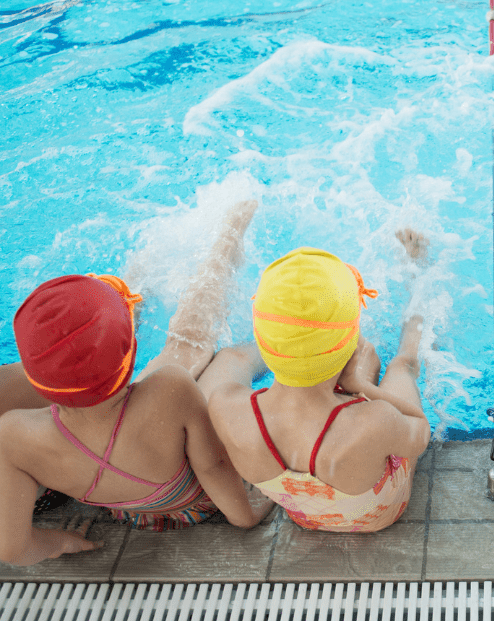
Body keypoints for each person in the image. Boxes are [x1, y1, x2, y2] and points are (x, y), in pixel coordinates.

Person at [0, 201, 272, 566]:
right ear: (131, 354)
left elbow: (13, 549)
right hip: (192, 503)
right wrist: (246, 516)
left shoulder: (14, 436)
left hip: (129, 511)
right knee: (198, 347)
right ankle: (227, 238)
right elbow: (214, 468)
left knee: (110, 338)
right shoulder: (169, 390)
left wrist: (60, 542)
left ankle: (130, 284)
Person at [203, 229, 431, 532]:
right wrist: (362, 387)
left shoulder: (226, 406)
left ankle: (309, 344)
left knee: (233, 357)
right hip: (377, 515)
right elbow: (420, 431)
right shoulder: (375, 421)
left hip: (304, 515)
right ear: (349, 342)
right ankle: (419, 274)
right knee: (401, 367)